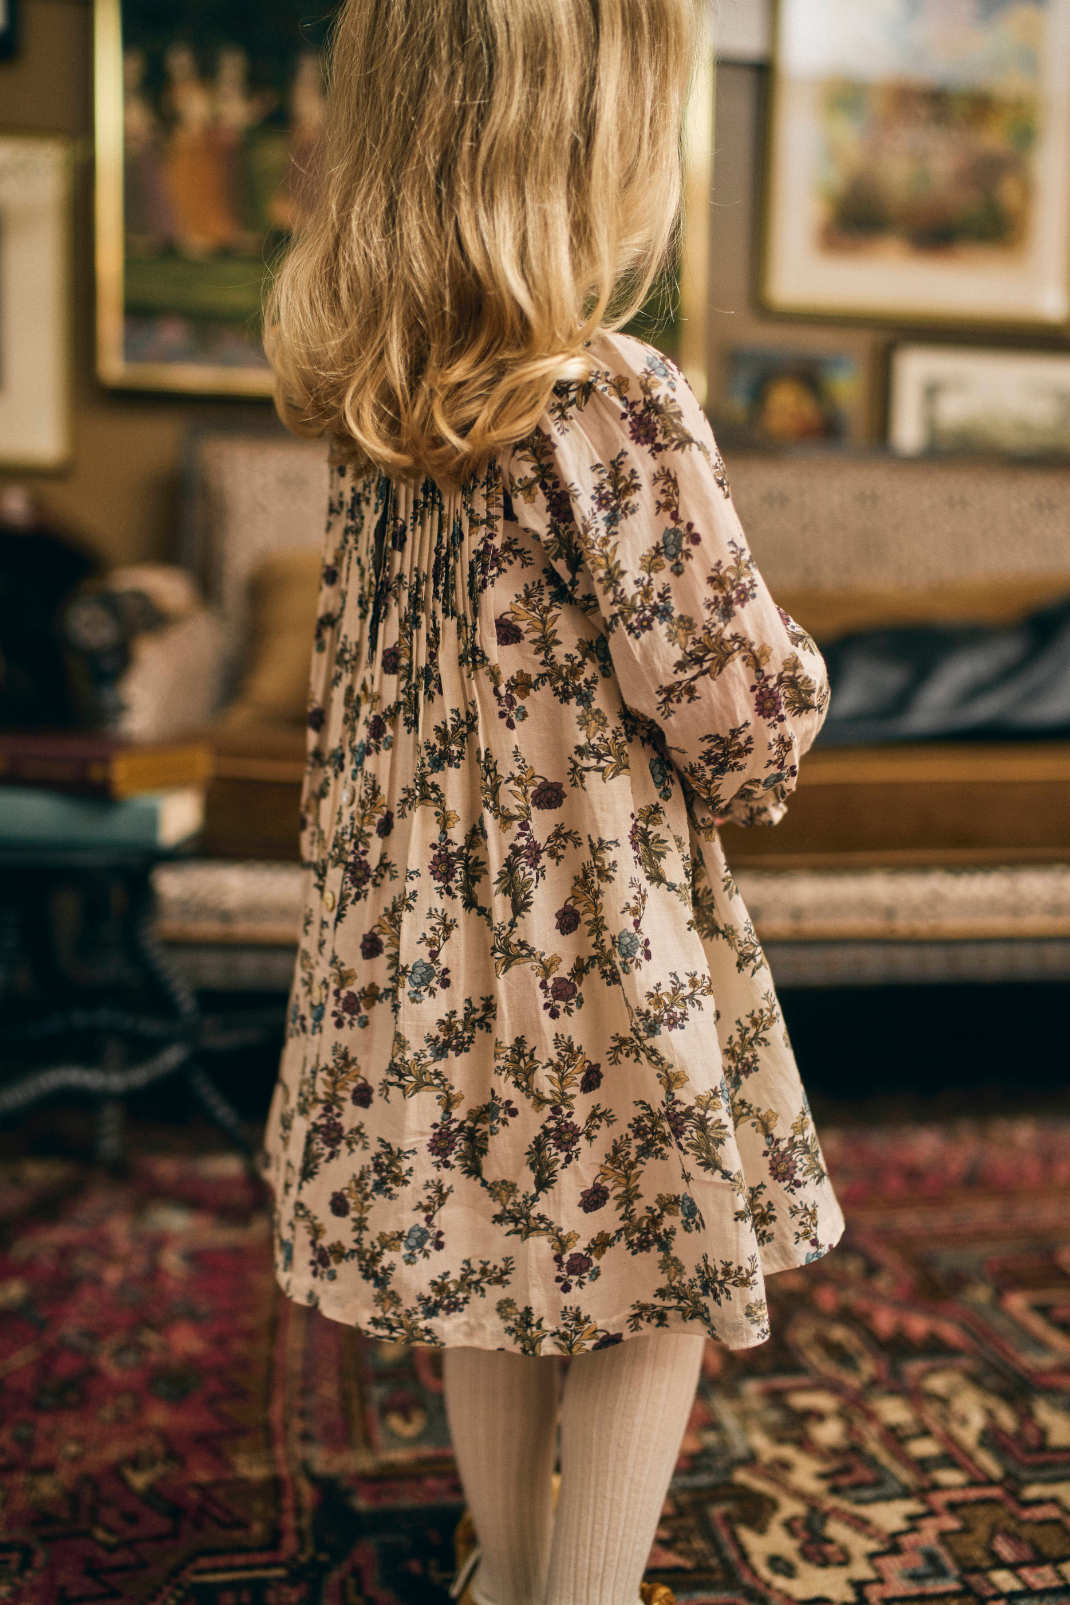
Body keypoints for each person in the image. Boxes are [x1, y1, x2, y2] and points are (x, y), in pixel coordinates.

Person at [260, 3, 845, 1604]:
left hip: (423, 941)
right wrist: (800, 680)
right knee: (654, 1279)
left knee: (493, 1266)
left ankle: (509, 1577)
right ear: (597, 142)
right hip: (596, 935)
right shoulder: (610, 396)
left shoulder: (382, 419)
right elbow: (737, 720)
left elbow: (352, 696)